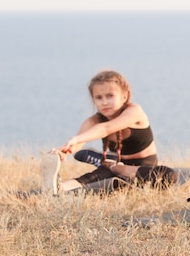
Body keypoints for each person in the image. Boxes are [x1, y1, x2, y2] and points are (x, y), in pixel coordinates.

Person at [40, 70, 177, 194]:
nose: (104, 102)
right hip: (115, 164)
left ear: (124, 96)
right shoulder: (93, 121)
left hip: (143, 167)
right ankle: (58, 188)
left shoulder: (134, 111)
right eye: (99, 98)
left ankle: (114, 167)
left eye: (110, 96)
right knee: (93, 177)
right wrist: (62, 152)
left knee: (168, 175)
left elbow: (107, 128)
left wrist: (76, 140)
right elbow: (76, 143)